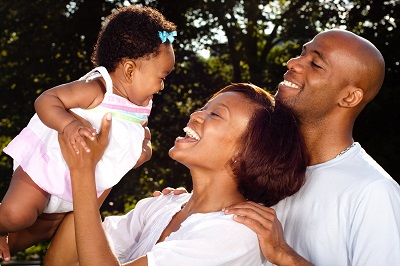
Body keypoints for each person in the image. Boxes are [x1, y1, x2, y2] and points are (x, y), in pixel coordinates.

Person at [43, 83, 309, 265]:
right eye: (204, 107)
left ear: (247, 152)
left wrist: (83, 171)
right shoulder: (162, 205)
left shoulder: (235, 234)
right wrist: (108, 166)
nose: (196, 114)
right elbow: (64, 259)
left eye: (215, 114)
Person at [0, 5, 176, 261]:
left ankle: (7, 241)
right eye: (162, 77)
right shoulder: (97, 88)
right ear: (129, 70)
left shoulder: (140, 106)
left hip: (77, 189)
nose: (162, 86)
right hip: (46, 170)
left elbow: (131, 142)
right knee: (16, 215)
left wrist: (142, 153)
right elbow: (47, 100)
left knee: (39, 230)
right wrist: (67, 125)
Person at [222, 29, 400, 265]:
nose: (293, 62)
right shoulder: (265, 165)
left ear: (349, 98)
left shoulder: (374, 191)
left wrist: (283, 254)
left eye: (315, 63)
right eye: (301, 53)